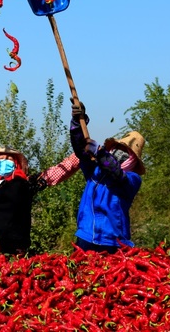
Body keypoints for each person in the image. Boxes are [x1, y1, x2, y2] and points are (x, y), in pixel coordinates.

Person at [70, 102, 146, 253]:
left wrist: (99, 153)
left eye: (126, 151)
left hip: (113, 241)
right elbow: (79, 149)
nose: (120, 152)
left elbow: (117, 174)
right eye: (118, 148)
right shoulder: (95, 170)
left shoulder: (132, 179)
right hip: (86, 235)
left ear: (133, 159)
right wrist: (78, 121)